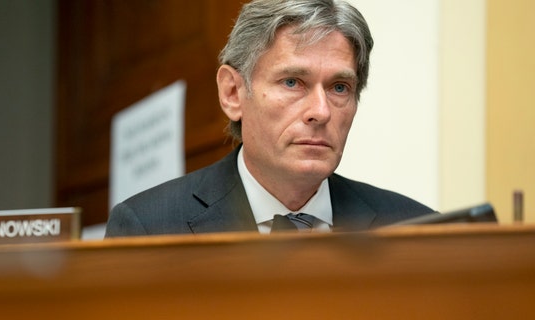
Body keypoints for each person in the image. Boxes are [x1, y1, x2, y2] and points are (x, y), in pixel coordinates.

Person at [105, 0, 434, 237]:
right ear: (233, 93)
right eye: (292, 82)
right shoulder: (149, 228)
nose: (320, 111)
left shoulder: (416, 230)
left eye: (339, 87)